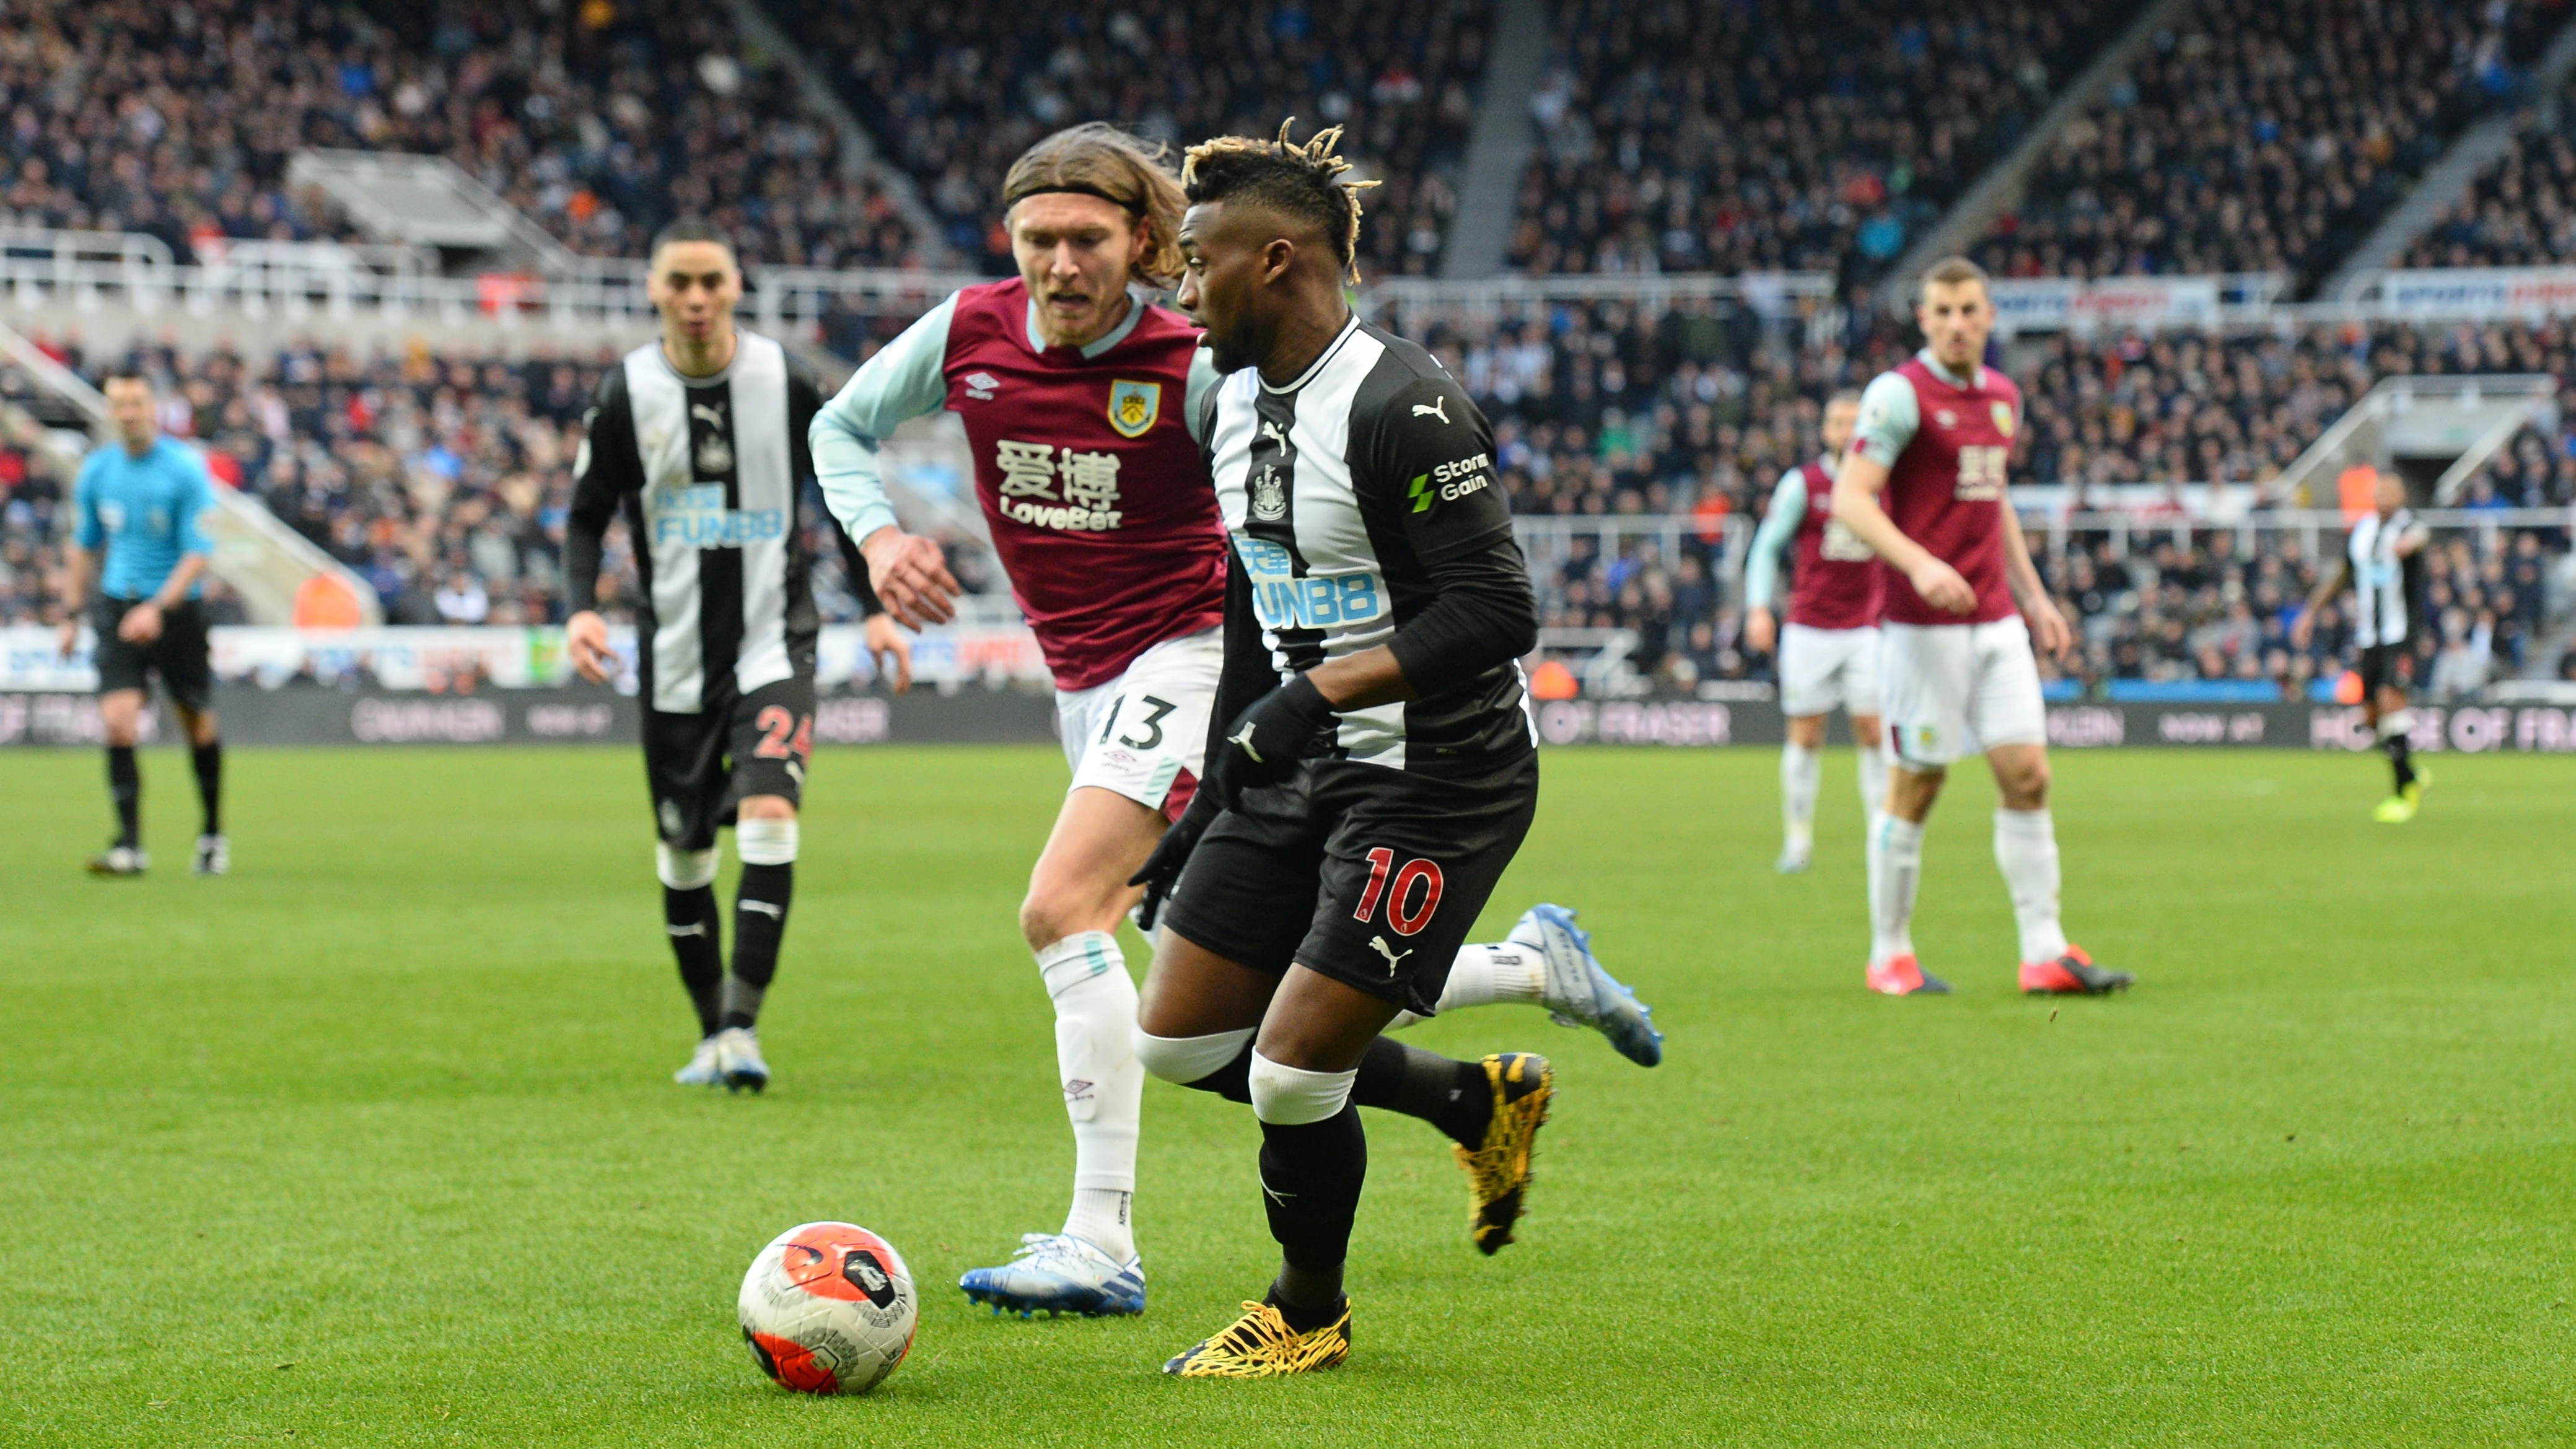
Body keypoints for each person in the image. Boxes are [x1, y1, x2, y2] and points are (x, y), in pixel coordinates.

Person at [812, 122, 1658, 1323]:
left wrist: (1287, 697)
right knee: (1206, 1006)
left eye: (1087, 239)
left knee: (1064, 912)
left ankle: (1105, 1235)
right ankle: (1497, 1044)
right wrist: (881, 535)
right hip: (1089, 681)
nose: (1058, 264)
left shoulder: (1206, 362)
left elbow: (1312, 543)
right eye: (1036, 239)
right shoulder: (967, 333)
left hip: (1203, 660)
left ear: (1145, 243)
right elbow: (837, 427)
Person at [1125, 122, 1565, 1378]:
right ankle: (1472, 1096)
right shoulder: (1223, 397)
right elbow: (1250, 609)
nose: (1180, 285)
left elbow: (1496, 611)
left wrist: (1317, 698)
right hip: (1302, 759)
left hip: (1440, 776)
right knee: (1178, 1040)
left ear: (1274, 261)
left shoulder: (1402, 401)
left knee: (1288, 1073)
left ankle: (1305, 1310)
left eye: (1196, 260)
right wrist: (1207, 807)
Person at [563, 217, 911, 1093]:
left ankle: (744, 1029)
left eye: (710, 282)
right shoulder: (625, 392)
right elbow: (582, 513)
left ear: (734, 288)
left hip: (773, 642)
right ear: (652, 290)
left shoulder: (783, 378)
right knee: (684, 854)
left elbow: (838, 488)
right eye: (678, 282)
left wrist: (872, 606)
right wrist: (579, 611)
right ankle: (712, 1029)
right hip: (674, 654)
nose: (694, 299)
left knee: (769, 819)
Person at [1829, 256, 2131, 999]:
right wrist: (1919, 563)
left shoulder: (2002, 396)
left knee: (2028, 774)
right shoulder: (1898, 395)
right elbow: (1852, 499)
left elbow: (1991, 500)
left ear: (1990, 316)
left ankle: (2045, 951)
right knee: (1919, 786)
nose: (1958, 323)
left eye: (1970, 310)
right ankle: (1889, 954)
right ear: (1925, 320)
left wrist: (2035, 596)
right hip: (1922, 626)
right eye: (1943, 311)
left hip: (1995, 618)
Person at [56, 369, 227, 877]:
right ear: (109, 410)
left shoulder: (185, 469)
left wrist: (158, 608)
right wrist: (70, 614)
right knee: (118, 720)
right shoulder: (97, 471)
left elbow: (199, 551)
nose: (128, 413)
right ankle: (129, 846)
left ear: (153, 406)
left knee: (196, 722)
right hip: (116, 606)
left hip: (177, 612)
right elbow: (83, 545)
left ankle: (212, 834)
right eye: (119, 404)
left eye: (136, 402)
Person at [1741, 390, 1886, 873]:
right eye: (1839, 422)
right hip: (1810, 627)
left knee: (1872, 728)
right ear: (1826, 431)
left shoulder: (1886, 482)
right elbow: (1766, 547)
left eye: (1855, 422)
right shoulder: (1803, 483)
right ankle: (1798, 840)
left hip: (1868, 627)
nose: (1847, 431)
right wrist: (1760, 608)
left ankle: (1880, 837)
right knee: (1806, 732)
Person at [2292, 469, 2430, 822]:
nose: (2384, 496)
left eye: (2391, 491)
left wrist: (2409, 544)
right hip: (2369, 636)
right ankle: (2411, 770)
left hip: (2401, 634)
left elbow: (2421, 534)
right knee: (2369, 718)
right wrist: (2309, 614)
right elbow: (2341, 575)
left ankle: (2403, 794)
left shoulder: (2407, 524)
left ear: (2400, 496)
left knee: (2389, 700)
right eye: (2380, 490)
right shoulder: (2363, 532)